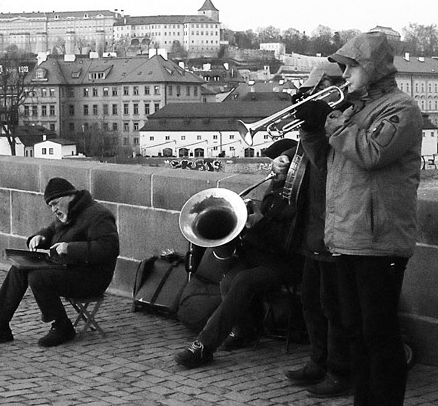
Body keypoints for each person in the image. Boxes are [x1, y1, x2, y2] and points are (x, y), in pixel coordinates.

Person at [295, 31, 423, 406]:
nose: (345, 75)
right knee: (353, 332)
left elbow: (372, 153)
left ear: (371, 69)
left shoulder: (401, 109)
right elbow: (326, 164)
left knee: (379, 336)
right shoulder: (352, 110)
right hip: (347, 236)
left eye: (351, 68)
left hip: (379, 239)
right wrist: (311, 128)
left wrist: (331, 121)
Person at [174, 139, 303, 369]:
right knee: (228, 282)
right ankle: (245, 331)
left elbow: (287, 242)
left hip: (288, 261)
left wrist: (259, 224)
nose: (276, 171)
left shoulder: (302, 197)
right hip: (265, 254)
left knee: (243, 280)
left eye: (282, 167)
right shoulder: (277, 186)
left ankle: (204, 346)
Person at [0, 177, 120, 347]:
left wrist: (70, 248)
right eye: (50, 206)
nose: (54, 209)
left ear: (69, 196)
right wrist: (39, 237)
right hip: (68, 268)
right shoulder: (69, 211)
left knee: (39, 277)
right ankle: (0, 325)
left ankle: (62, 326)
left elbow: (109, 249)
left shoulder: (98, 215)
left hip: (91, 277)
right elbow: (52, 229)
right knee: (20, 268)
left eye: (55, 204)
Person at [278, 64, 354, 398]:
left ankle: (340, 371)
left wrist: (320, 124)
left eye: (320, 87)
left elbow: (330, 160)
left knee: (334, 305)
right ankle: (318, 361)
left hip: (334, 225)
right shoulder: (318, 117)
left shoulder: (345, 117)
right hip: (312, 225)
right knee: (310, 300)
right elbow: (307, 161)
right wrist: (284, 161)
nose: (314, 95)